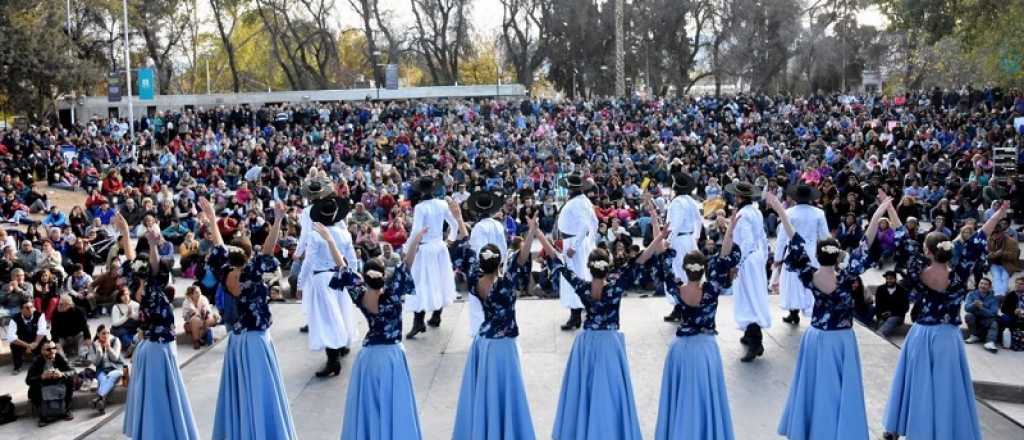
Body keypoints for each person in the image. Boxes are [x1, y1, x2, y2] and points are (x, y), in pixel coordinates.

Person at [882, 200, 1009, 440]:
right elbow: (979, 239)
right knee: (945, 386)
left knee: (915, 382)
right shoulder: (959, 274)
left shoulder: (916, 269)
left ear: (928, 251)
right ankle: (944, 432)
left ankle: (899, 429)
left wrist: (888, 207)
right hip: (947, 337)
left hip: (921, 333)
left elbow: (902, 235)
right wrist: (998, 214)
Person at [769, 191, 891, 440]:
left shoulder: (809, 274)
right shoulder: (847, 276)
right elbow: (865, 243)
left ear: (818, 254)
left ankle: (812, 429)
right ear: (837, 256)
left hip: (816, 336)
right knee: (841, 387)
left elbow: (795, 240)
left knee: (814, 385)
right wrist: (879, 212)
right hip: (842, 339)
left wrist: (780, 209)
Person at [538, 213, 662, 440]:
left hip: (587, 342)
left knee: (586, 389)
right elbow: (641, 259)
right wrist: (660, 235)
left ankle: (586, 430)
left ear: (589, 266)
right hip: (610, 343)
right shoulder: (615, 286)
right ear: (608, 266)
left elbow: (557, 260)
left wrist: (537, 232)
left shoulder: (583, 288)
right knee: (611, 390)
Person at [200, 198, 298, 440]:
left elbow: (219, 246)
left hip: (236, 341)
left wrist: (212, 218)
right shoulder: (251, 273)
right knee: (260, 393)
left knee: (242, 394)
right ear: (247, 255)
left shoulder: (225, 273)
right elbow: (268, 249)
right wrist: (277, 220)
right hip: (256, 341)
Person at [321, 220, 428, 440]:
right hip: (392, 356)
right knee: (394, 405)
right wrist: (415, 241)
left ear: (365, 277)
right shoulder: (393, 295)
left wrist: (330, 240)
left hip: (369, 358)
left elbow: (343, 268)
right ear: (383, 274)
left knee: (370, 406)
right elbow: (407, 263)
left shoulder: (361, 295)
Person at [652, 209, 741, 440]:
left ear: (685, 268)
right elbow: (724, 256)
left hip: (680, 349)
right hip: (705, 350)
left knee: (681, 397)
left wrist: (656, 225)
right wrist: (729, 229)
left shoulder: (676, 288)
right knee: (704, 396)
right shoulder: (711, 289)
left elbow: (662, 255)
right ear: (703, 269)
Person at [451, 211, 537, 440]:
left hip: (484, 343)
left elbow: (468, 246)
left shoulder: (474, 280)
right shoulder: (506, 284)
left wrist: (459, 218)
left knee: (485, 392)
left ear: (481, 263)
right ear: (500, 262)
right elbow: (522, 257)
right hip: (505, 345)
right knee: (507, 393)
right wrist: (532, 231)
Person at [117, 213, 199, 440]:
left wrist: (153, 245)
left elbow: (153, 264)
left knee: (163, 388)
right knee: (150, 390)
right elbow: (131, 257)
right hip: (149, 342)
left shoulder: (155, 283)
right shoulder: (136, 283)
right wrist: (125, 233)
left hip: (162, 342)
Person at [298, 194, 360, 377]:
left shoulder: (315, 235)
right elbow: (352, 260)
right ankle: (341, 346)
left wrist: (301, 283)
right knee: (340, 311)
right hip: (339, 276)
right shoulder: (344, 234)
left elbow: (308, 261)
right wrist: (352, 277)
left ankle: (333, 360)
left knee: (327, 318)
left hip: (322, 279)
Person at [405, 176, 460, 338]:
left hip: (425, 248)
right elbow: (454, 223)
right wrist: (450, 239)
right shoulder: (442, 204)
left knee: (420, 283)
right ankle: (436, 316)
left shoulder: (420, 207)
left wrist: (408, 248)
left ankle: (418, 322)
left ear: (421, 191)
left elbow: (416, 231)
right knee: (440, 280)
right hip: (440, 247)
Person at [726, 181, 772, 362]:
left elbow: (746, 242)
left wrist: (737, 263)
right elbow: (762, 237)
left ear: (739, 197)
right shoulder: (755, 211)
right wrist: (764, 256)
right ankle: (748, 334)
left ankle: (756, 342)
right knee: (753, 294)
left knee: (749, 298)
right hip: (756, 257)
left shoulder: (743, 215)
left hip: (747, 259)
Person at [773, 183, 830, 325]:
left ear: (796, 197)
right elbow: (824, 236)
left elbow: (782, 238)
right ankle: (810, 313)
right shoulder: (819, 213)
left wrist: (777, 257)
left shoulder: (789, 212)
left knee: (794, 283)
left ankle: (794, 313)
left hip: (793, 252)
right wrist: (829, 255)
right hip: (811, 253)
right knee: (810, 282)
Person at [555, 173, 599, 331]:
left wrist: (575, 246)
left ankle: (575, 316)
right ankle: (579, 312)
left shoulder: (577, 203)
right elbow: (594, 223)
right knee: (581, 276)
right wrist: (590, 242)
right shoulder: (583, 200)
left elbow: (585, 225)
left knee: (574, 278)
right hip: (578, 242)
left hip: (574, 243)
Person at [465, 190, 508, 337]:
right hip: (497, 269)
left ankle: (480, 333)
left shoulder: (479, 227)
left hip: (484, 271)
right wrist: (501, 269)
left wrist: (479, 272)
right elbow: (504, 249)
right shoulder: (498, 225)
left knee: (478, 306)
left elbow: (480, 252)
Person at [662, 171, 704, 322]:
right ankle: (687, 306)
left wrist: (668, 240)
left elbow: (677, 223)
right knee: (689, 272)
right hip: (689, 239)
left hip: (679, 240)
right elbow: (699, 220)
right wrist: (695, 236)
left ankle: (681, 307)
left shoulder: (677, 202)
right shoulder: (691, 201)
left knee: (678, 272)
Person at [26, 338, 75, 426]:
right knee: (34, 387)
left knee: (70, 380)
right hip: (43, 385)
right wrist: (41, 377)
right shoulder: (37, 361)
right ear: (42, 351)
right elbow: (28, 380)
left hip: (58, 383)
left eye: (54, 348)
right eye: (48, 349)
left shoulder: (58, 357)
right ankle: (43, 415)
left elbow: (72, 371)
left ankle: (66, 410)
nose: (52, 351)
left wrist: (62, 374)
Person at [88, 324, 127, 414]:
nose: (106, 335)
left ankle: (99, 398)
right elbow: (96, 363)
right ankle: (101, 403)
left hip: (117, 368)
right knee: (103, 380)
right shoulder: (93, 345)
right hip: (102, 370)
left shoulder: (115, 340)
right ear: (98, 334)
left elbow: (115, 358)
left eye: (108, 333)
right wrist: (99, 351)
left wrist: (108, 348)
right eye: (103, 333)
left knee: (111, 376)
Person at [5, 300, 49, 374]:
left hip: (36, 340)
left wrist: (35, 343)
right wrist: (27, 345)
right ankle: (17, 366)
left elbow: (42, 331)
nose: (30, 309)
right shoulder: (15, 319)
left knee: (46, 342)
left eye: (32, 307)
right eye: (27, 308)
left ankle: (43, 363)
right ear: (21, 309)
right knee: (13, 344)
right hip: (23, 341)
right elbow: (11, 337)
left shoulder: (40, 315)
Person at [49, 294, 91, 363]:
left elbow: (85, 327)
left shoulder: (79, 311)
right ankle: (62, 360)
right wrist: (56, 343)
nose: (59, 306)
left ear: (69, 305)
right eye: (59, 303)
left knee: (83, 336)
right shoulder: (55, 313)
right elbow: (53, 331)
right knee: (53, 344)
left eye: (61, 304)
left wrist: (88, 338)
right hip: (62, 337)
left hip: (76, 335)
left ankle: (83, 357)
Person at [963, 278, 1001, 353]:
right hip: (975, 319)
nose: (983, 286)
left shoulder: (994, 298)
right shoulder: (971, 294)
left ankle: (990, 342)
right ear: (978, 284)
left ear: (990, 287)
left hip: (986, 321)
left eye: (985, 284)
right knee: (968, 316)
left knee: (994, 322)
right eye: (981, 283)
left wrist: (981, 308)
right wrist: (973, 305)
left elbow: (993, 313)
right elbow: (966, 308)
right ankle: (974, 336)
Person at [986, 221, 1019, 296]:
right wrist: (996, 254)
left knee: (1004, 277)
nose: (995, 235)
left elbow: (1014, 256)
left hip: (1008, 264)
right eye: (993, 233)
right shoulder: (990, 240)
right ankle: (1000, 295)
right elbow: (988, 255)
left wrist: (1002, 253)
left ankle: (1001, 295)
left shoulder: (1012, 242)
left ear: (1002, 233)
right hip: (994, 263)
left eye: (997, 233)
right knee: (997, 277)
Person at [181, 285, 219, 349]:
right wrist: (194, 313)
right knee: (195, 320)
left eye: (199, 292)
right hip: (192, 323)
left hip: (204, 320)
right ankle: (197, 341)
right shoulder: (186, 302)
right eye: (196, 292)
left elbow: (208, 311)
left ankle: (200, 339)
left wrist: (205, 312)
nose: (199, 294)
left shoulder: (203, 299)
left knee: (212, 319)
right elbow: (185, 317)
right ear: (191, 294)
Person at [875, 271, 910, 337]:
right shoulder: (880, 289)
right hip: (883, 315)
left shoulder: (902, 291)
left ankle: (879, 336)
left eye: (891, 278)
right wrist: (880, 316)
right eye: (887, 278)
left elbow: (906, 308)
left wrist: (892, 313)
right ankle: (880, 334)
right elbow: (878, 305)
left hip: (897, 316)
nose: (889, 280)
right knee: (881, 323)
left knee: (891, 320)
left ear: (895, 279)